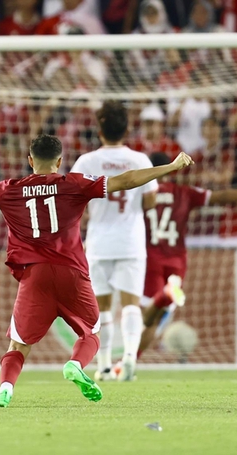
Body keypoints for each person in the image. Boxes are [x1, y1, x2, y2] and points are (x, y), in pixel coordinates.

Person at [0, 134, 194, 407]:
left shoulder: (11, 188)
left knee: (18, 345)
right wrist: (171, 166)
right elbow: (128, 180)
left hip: (35, 276)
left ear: (30, 161)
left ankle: (4, 389)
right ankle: (74, 364)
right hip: (72, 273)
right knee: (90, 333)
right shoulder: (75, 184)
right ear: (60, 162)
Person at [138, 152, 237, 360]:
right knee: (158, 315)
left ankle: (130, 359)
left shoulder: (142, 195)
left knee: (146, 316)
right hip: (177, 260)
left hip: (150, 258)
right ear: (170, 170)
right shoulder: (185, 192)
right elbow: (221, 197)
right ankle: (132, 359)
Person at [71, 100, 158, 382]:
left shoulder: (86, 161)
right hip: (131, 240)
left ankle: (105, 365)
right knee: (131, 303)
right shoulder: (140, 160)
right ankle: (130, 357)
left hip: (99, 241)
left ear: (99, 128)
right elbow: (150, 201)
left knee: (102, 307)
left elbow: (74, 202)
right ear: (127, 128)